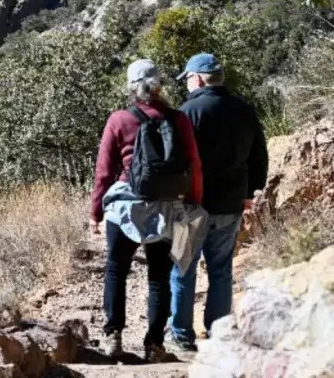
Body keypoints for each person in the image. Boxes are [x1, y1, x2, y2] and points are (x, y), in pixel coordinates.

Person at [90, 59, 204, 363]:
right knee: (159, 276)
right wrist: (192, 202)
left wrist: (95, 212)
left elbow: (104, 170)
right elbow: (193, 164)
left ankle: (113, 336)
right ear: (160, 84)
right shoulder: (178, 119)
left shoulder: (119, 119)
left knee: (116, 269)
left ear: (130, 87)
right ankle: (154, 345)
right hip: (167, 207)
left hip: (126, 206)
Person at [168, 53, 268, 351]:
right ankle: (218, 335)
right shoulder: (244, 110)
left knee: (182, 269)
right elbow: (258, 155)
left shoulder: (188, 112)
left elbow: (175, 159)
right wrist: (251, 191)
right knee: (221, 269)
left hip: (191, 205)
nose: (187, 83)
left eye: (187, 78)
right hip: (231, 202)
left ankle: (181, 337)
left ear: (198, 79)